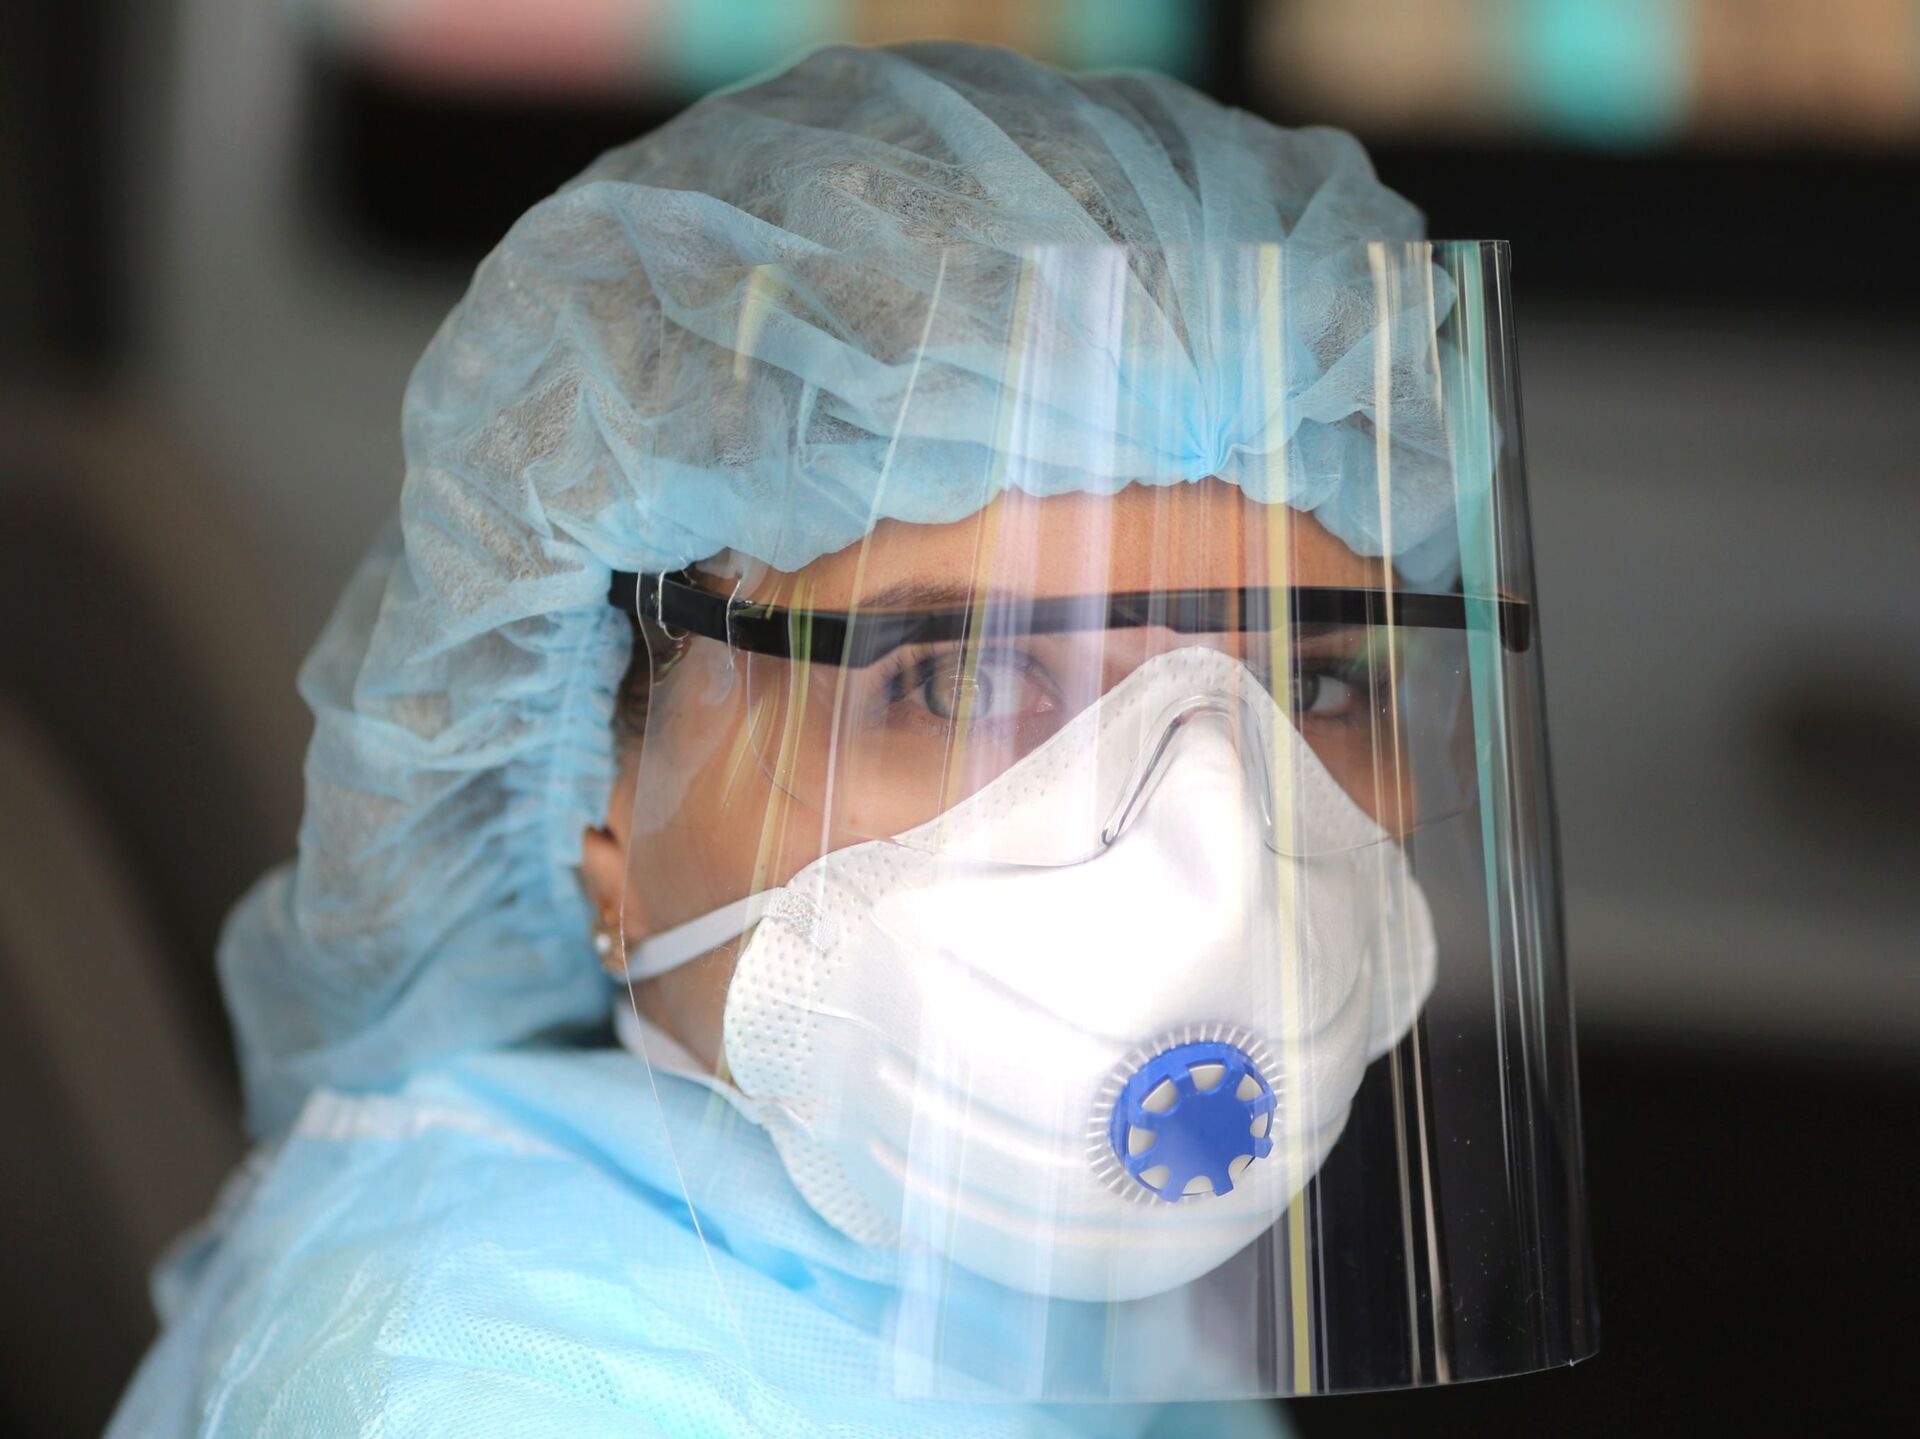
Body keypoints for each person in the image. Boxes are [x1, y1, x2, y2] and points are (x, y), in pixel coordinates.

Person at [107, 41, 1592, 1438]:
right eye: (962, 682)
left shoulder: (1078, 1336)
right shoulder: (484, 1386)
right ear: (599, 799)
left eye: (1318, 689)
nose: (1206, 862)